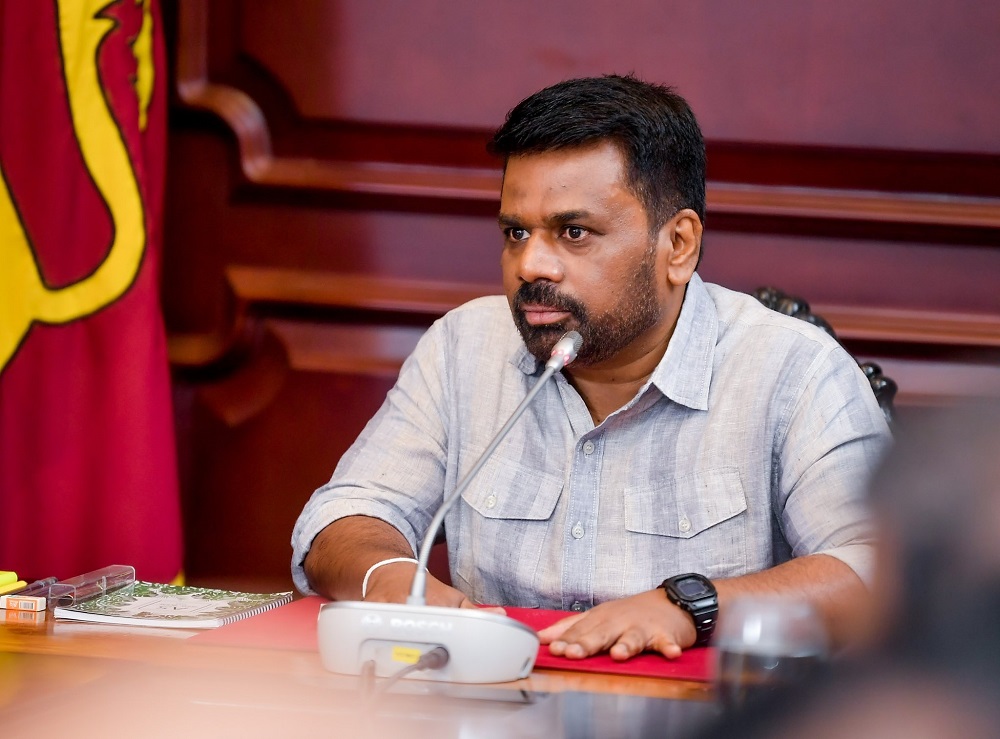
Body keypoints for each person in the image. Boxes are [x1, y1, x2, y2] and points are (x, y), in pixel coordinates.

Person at [291, 74, 891, 660]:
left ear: (678, 245)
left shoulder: (794, 371)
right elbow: (343, 516)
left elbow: (882, 573)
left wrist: (693, 607)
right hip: (496, 702)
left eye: (573, 232)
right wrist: (389, 579)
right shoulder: (462, 347)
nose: (531, 265)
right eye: (516, 232)